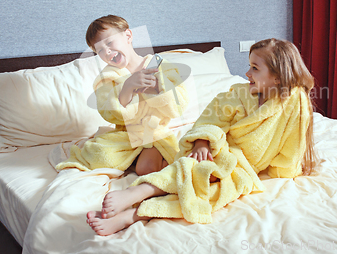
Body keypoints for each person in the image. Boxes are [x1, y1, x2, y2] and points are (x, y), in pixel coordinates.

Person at [86, 38, 317, 235]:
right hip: (220, 149)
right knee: (196, 165)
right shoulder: (240, 93)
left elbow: (294, 145)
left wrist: (282, 171)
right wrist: (201, 141)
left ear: (278, 77)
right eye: (249, 66)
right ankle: (137, 196)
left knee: (208, 192)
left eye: (255, 68)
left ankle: (133, 213)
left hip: (244, 167)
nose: (247, 73)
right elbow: (211, 118)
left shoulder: (295, 103)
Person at [56, 15, 188, 176]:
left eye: (110, 43)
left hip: (153, 132)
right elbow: (110, 114)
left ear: (128, 36)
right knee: (99, 155)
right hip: (124, 135)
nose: (107, 51)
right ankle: (135, 159)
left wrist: (156, 86)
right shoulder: (106, 78)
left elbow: (178, 105)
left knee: (145, 169)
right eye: (100, 50)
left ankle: (169, 166)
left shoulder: (160, 66)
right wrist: (126, 88)